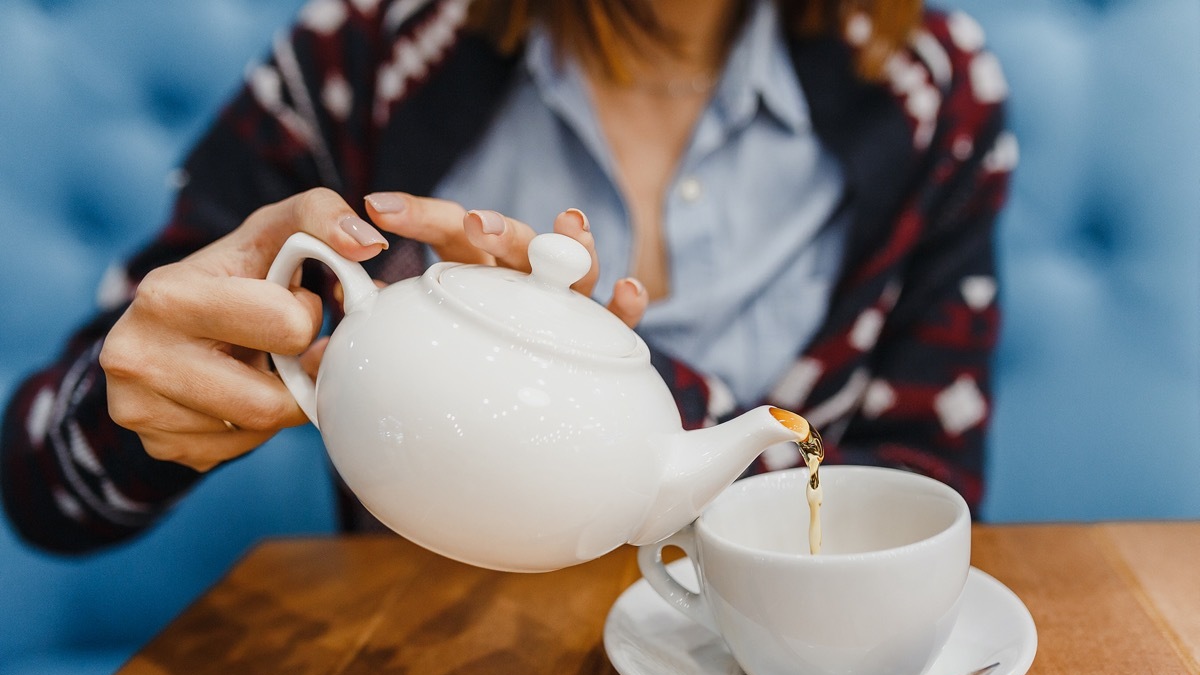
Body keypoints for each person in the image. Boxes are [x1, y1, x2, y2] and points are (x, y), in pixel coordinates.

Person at [0, 0, 1012, 554]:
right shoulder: (359, 65)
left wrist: (610, 385)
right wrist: (148, 396)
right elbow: (44, 487)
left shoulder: (930, 93)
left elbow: (919, 505)